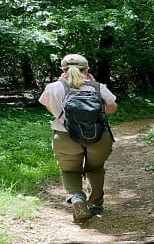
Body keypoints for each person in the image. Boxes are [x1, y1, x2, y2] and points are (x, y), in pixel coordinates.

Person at [39, 54, 118, 223]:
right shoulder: (97, 87)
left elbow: (48, 107)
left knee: (69, 170)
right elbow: (112, 108)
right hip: (98, 136)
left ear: (63, 70)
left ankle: (77, 199)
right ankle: (96, 204)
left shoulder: (53, 87)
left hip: (64, 137)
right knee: (95, 169)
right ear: (87, 69)